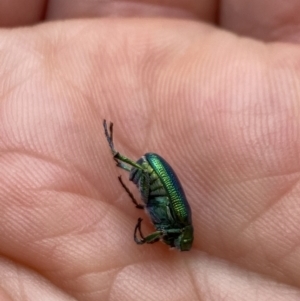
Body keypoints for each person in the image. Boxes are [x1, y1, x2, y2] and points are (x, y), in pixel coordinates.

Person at [1, 1, 300, 300]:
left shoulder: (169, 225)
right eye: (175, 243)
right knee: (138, 171)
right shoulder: (177, 218)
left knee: (134, 183)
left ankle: (115, 152)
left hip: (151, 180)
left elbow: (146, 212)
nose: (171, 245)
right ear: (180, 235)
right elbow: (157, 206)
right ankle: (116, 152)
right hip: (154, 171)